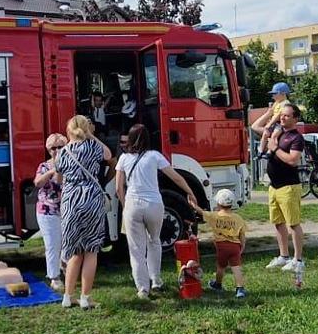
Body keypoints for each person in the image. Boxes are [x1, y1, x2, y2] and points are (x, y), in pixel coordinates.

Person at [116, 124, 201, 300]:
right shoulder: (155, 156)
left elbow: (118, 188)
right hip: (154, 204)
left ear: (129, 140)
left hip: (133, 204)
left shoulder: (123, 159)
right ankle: (156, 280)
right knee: (154, 242)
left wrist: (126, 206)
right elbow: (176, 176)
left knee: (136, 249)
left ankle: (142, 288)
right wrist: (190, 192)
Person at [56, 115, 112, 309]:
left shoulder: (63, 152)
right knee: (91, 250)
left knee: (74, 252)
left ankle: (67, 296)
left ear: (69, 130)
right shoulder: (94, 147)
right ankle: (86, 298)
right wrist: (91, 136)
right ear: (86, 128)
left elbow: (58, 177)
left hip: (71, 201)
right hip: (91, 199)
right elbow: (108, 154)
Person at [261, 102, 307, 285]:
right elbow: (257, 130)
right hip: (274, 186)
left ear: (295, 119)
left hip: (289, 187)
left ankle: (298, 260)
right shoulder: (278, 134)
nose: (282, 118)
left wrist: (275, 149)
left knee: (293, 224)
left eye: (287, 116)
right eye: (282, 115)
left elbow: (293, 160)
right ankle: (284, 256)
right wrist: (268, 134)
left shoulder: (296, 138)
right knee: (278, 223)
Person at [33, 133, 69, 291]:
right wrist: (52, 170)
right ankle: (54, 277)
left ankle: (66, 268)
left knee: (68, 243)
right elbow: (38, 183)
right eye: (53, 148)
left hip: (67, 209)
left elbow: (62, 181)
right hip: (47, 210)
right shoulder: (43, 166)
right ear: (48, 150)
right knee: (52, 244)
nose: (56, 150)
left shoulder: (70, 164)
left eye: (60, 147)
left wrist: (61, 168)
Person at [203, 188, 249, 298]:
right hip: (235, 246)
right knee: (236, 267)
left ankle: (217, 284)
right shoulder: (238, 218)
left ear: (218, 203)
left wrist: (193, 205)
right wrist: (242, 246)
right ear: (232, 203)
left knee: (221, 267)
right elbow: (242, 235)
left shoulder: (215, 216)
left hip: (221, 247)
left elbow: (202, 212)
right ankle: (240, 289)